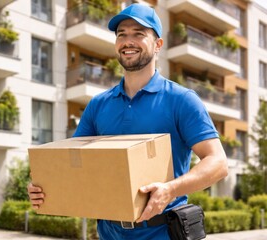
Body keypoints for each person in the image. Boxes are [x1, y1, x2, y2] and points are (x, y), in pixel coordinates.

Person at [28, 3, 228, 239]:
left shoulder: (181, 100)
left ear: (158, 45)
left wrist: (170, 189)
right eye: (121, 35)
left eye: (138, 34)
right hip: (109, 233)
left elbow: (218, 163)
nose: (127, 41)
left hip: (162, 232)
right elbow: (75, 162)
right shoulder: (99, 104)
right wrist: (43, 188)